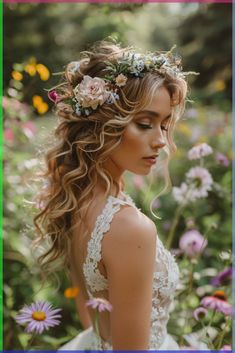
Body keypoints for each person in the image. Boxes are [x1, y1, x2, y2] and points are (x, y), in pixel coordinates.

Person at [34, 39, 195, 350]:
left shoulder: (75, 199)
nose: (161, 141)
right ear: (102, 125)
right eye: (145, 124)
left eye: (163, 125)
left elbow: (89, 313)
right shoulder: (130, 228)